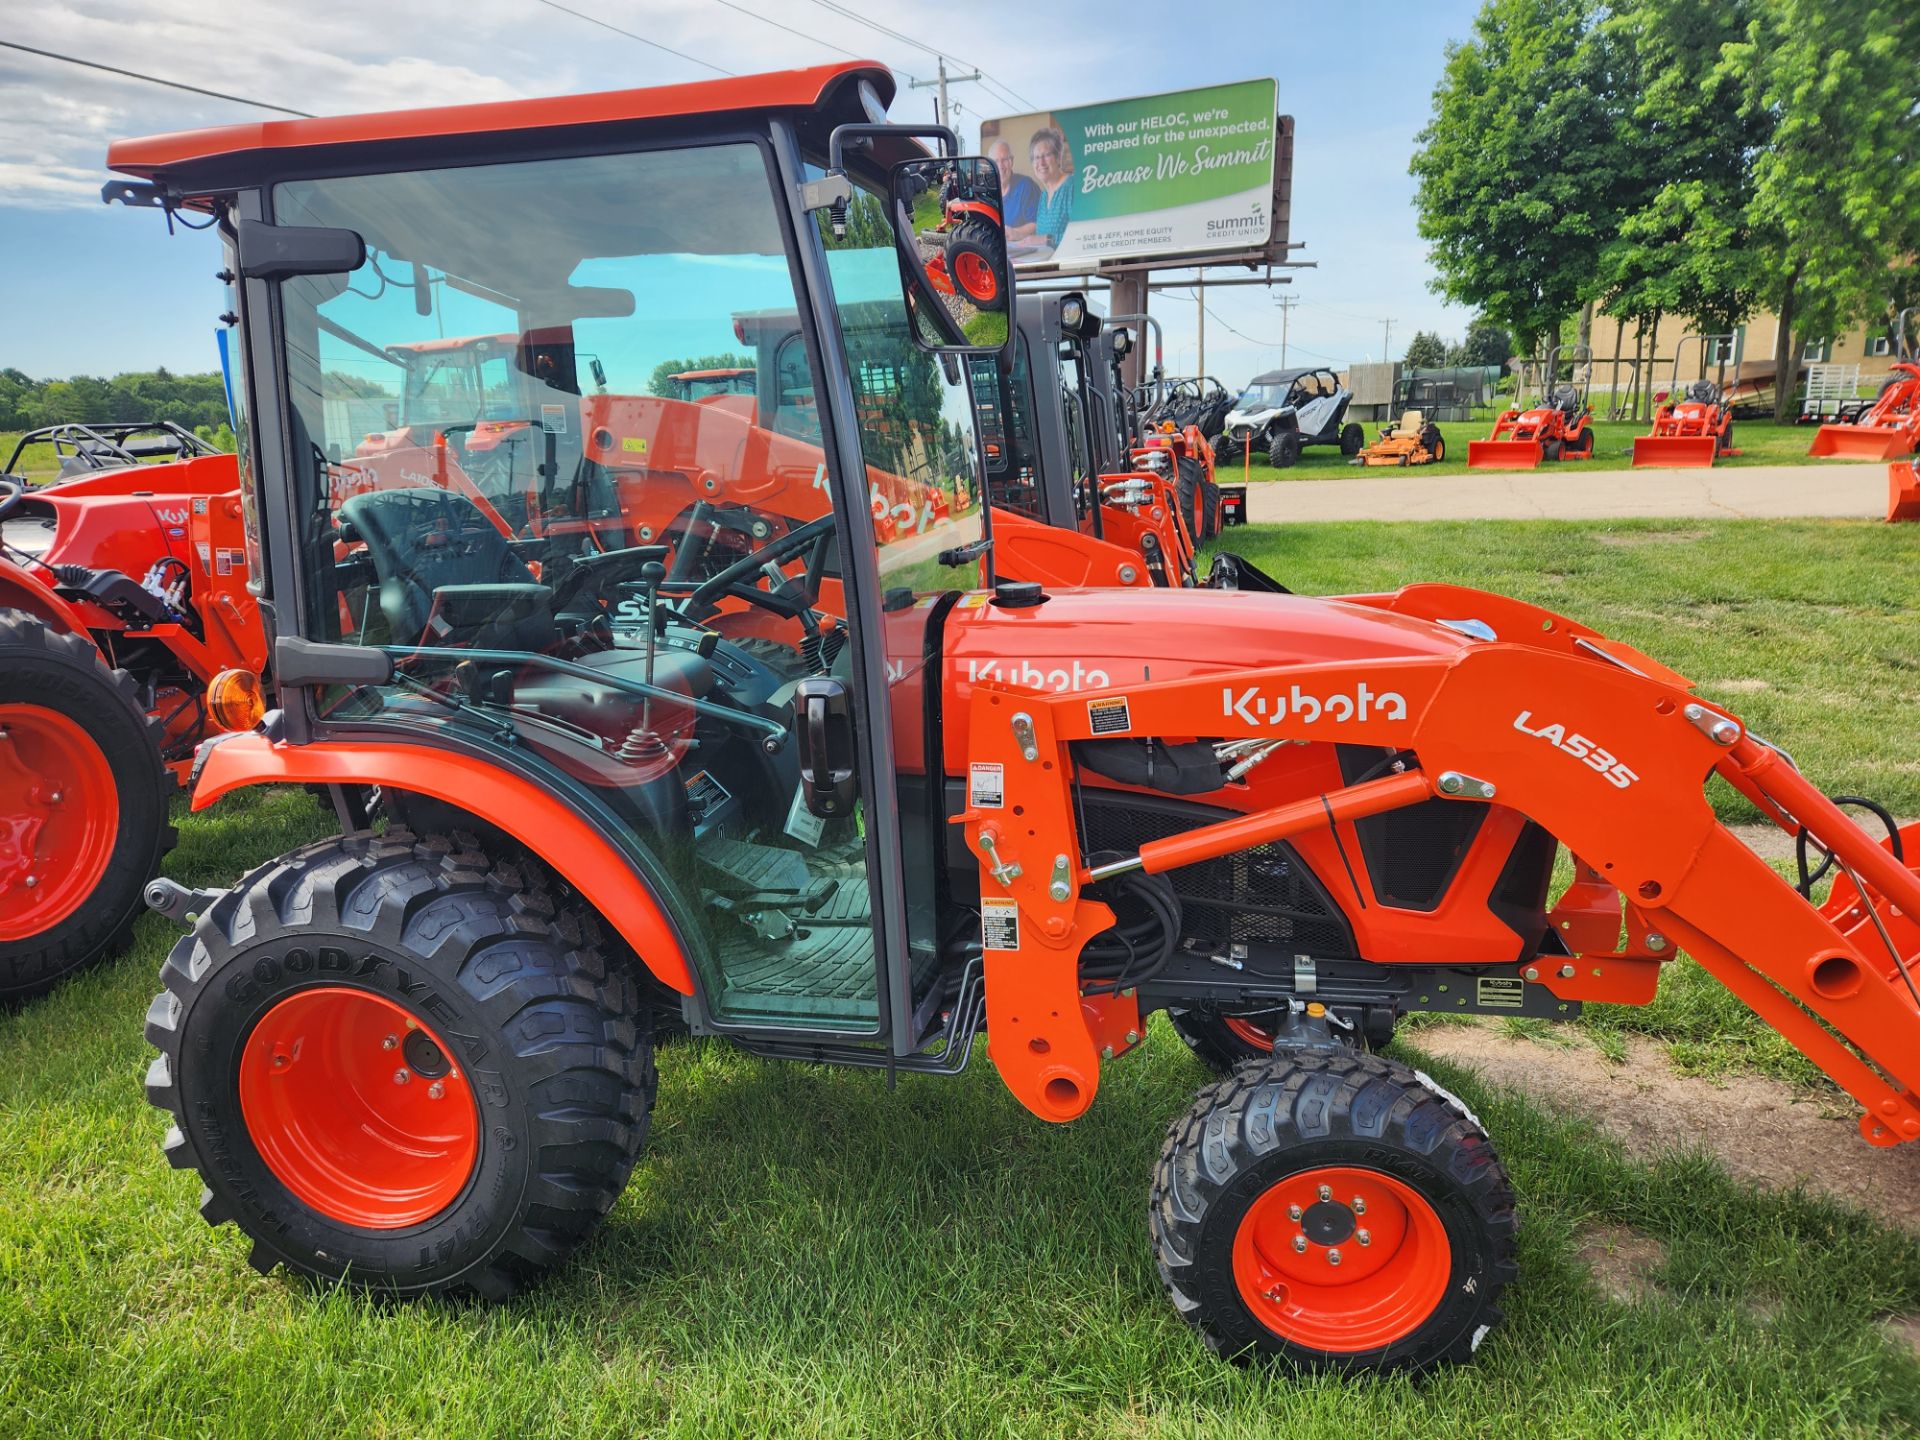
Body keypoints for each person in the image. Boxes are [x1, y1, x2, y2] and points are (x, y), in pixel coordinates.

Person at [1019, 127, 1072, 252]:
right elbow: (1039, 236)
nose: (1041, 163)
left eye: (1046, 155)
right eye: (1036, 157)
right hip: (1047, 267)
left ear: (1058, 157)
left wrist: (1045, 240)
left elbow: (1080, 236)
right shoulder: (1043, 196)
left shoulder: (1071, 187)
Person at [989, 138, 1038, 232]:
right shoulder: (985, 192)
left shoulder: (1026, 186)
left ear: (1012, 161)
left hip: (1020, 245)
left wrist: (1015, 233)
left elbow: (1037, 224)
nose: (1000, 166)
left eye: (1004, 159)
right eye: (995, 161)